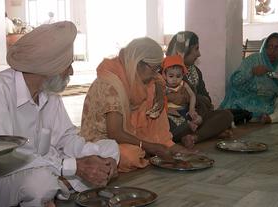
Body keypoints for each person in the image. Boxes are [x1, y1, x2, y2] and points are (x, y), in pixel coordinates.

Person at [0, 21, 119, 207]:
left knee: (110, 147)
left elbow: (67, 138)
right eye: (68, 65)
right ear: (50, 68)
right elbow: (2, 159)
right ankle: (57, 185)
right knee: (41, 182)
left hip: (47, 164)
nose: (71, 71)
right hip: (0, 177)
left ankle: (60, 184)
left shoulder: (49, 93)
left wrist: (101, 161)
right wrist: (74, 167)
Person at [80, 37, 191, 173]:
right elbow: (115, 132)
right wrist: (152, 147)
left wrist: (164, 145)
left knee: (153, 88)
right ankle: (151, 149)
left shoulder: (136, 74)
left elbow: (157, 80)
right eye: (154, 69)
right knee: (131, 156)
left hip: (127, 135)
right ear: (139, 64)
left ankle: (165, 144)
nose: (156, 74)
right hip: (103, 141)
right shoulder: (111, 84)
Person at [166, 31, 233, 147]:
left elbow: (207, 99)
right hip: (174, 118)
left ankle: (193, 137)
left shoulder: (195, 72)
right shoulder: (165, 72)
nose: (199, 54)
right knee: (172, 125)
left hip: (197, 116)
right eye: (196, 49)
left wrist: (197, 108)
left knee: (226, 115)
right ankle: (205, 133)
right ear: (184, 50)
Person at [221, 32, 278, 123]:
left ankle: (270, 117)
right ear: (265, 47)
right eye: (269, 46)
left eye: (277, 47)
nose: (272, 50)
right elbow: (235, 81)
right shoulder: (253, 59)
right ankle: (272, 116)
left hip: (271, 100)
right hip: (248, 98)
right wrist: (251, 72)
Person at [161, 55, 202, 148]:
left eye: (178, 76)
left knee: (199, 119)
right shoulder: (163, 86)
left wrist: (192, 110)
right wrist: (167, 110)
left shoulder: (183, 84)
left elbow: (192, 95)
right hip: (171, 113)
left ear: (183, 75)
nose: (175, 79)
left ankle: (188, 129)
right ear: (164, 75)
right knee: (171, 122)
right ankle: (187, 129)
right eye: (171, 76)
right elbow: (159, 101)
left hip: (184, 110)